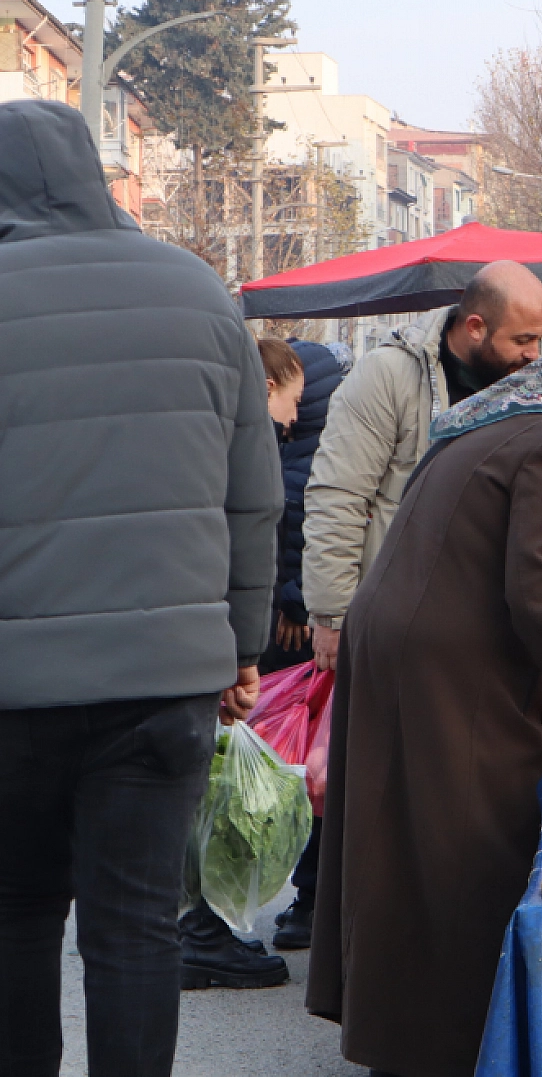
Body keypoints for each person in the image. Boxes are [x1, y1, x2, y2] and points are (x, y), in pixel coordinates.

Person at [306, 333, 542, 1077]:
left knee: (399, 845)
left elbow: (502, 557)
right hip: (447, 663)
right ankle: (447, 1042)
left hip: (404, 643)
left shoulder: (504, 418)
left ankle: (400, 1032)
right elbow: (536, 600)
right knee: (463, 846)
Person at [0, 100, 282, 1077]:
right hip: (163, 681)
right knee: (134, 928)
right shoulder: (200, 293)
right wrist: (242, 644)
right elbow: (253, 497)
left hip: (13, 690)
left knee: (17, 921)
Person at [303, 260, 542, 672]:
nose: (534, 354)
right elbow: (338, 496)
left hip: (491, 625)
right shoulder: (389, 374)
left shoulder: (524, 384)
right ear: (475, 327)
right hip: (402, 622)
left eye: (540, 339)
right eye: (523, 339)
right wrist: (331, 616)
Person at [174, 341, 310, 991]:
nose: (292, 418)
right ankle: (201, 930)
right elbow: (251, 528)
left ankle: (187, 927)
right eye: (292, 400)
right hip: (201, 630)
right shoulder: (237, 434)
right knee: (199, 784)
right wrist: (243, 651)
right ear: (268, 385)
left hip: (151, 630)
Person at [256, 337, 346, 954]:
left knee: (299, 766)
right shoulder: (309, 451)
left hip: (291, 632)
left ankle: (306, 896)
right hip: (297, 634)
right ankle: (307, 897)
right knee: (309, 767)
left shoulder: (292, 449)